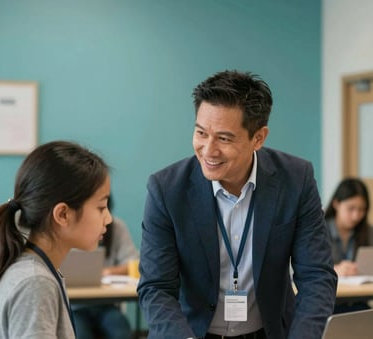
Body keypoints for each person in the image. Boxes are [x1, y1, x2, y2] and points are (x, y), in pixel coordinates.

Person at [137, 70, 337, 339]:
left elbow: (316, 277)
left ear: (259, 138)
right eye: (200, 133)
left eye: (224, 138)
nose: (208, 150)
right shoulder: (166, 189)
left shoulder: (295, 180)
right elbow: (156, 287)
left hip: (269, 331)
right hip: (191, 332)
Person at [0, 140, 112, 339]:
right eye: (101, 207)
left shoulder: (36, 271)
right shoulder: (36, 282)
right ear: (63, 215)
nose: (108, 218)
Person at [71, 195, 139, 339]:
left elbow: (134, 262)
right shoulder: (69, 232)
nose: (106, 218)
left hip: (106, 304)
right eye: (99, 209)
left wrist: (107, 272)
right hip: (75, 307)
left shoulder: (116, 228)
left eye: (105, 209)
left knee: (120, 331)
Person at [324, 177, 373, 313]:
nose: (356, 215)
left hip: (358, 304)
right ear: (336, 204)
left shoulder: (368, 232)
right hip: (328, 306)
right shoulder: (318, 231)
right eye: (351, 208)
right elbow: (296, 271)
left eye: (362, 210)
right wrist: (334, 270)